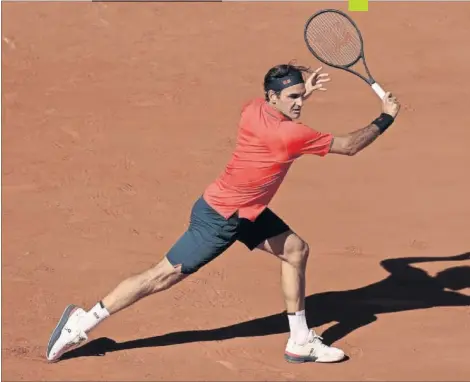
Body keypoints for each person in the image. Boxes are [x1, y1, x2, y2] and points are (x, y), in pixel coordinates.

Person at [46, 62, 401, 364]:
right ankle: (83, 322)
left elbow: (283, 105)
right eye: (291, 98)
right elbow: (350, 146)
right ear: (273, 98)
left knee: (295, 250)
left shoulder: (253, 109)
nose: (298, 103)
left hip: (242, 209)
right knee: (160, 276)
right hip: (222, 219)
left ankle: (299, 340)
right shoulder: (291, 135)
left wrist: (303, 90)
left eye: (299, 96)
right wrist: (386, 117)